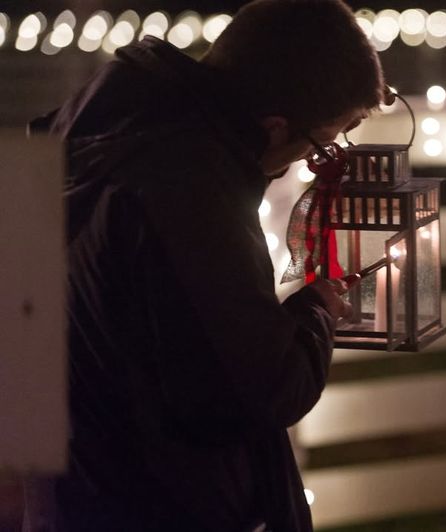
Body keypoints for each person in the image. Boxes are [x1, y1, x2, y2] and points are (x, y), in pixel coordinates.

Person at [27, 0, 385, 530]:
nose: (311, 163)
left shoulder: (111, 135)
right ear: (273, 127)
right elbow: (259, 389)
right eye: (320, 145)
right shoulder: (190, 193)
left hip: (82, 491)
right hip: (164, 504)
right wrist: (316, 310)